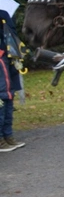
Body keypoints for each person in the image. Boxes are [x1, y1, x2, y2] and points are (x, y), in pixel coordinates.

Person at [0, 9, 24, 151]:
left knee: (8, 95)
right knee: (2, 96)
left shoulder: (4, 13)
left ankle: (7, 134)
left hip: (8, 57)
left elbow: (12, 33)